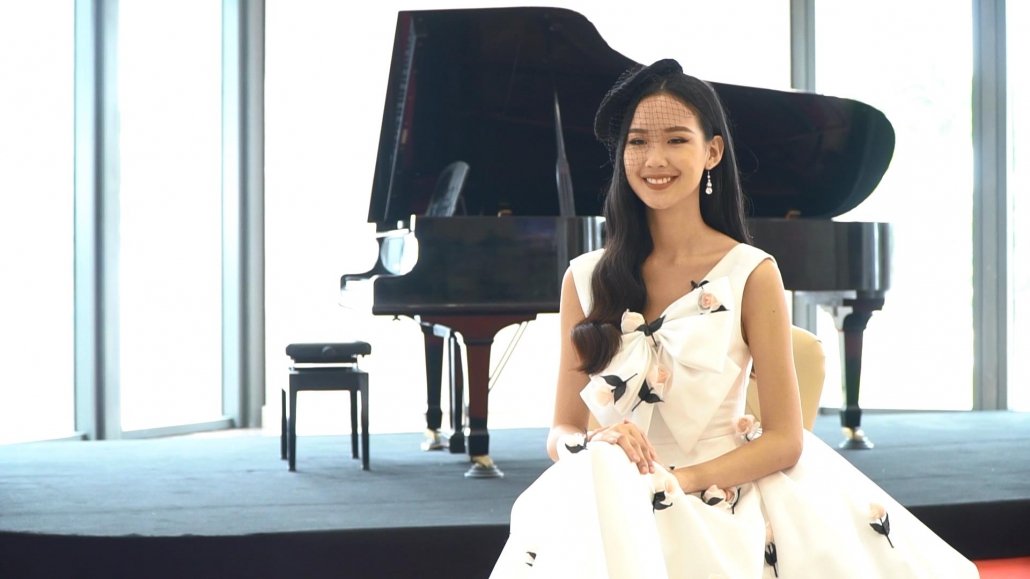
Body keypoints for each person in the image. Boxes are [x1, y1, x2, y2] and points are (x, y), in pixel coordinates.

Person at [489, 59, 979, 578]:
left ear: (713, 152)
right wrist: (590, 444)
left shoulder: (751, 272)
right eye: (637, 142)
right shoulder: (584, 278)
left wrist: (677, 482)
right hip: (609, 486)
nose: (654, 158)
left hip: (721, 490)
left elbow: (786, 439)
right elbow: (562, 428)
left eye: (676, 140)